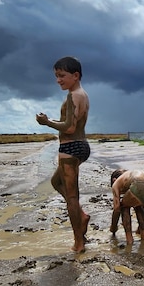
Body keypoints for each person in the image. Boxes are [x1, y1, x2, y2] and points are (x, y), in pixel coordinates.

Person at [36, 56, 91, 253]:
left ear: (75, 75)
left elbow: (69, 127)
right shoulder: (82, 94)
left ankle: (79, 242)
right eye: (56, 76)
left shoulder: (74, 96)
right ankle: (81, 216)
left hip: (70, 147)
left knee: (72, 196)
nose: (58, 80)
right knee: (55, 182)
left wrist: (46, 122)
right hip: (80, 145)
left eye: (62, 76)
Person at [109, 168, 144, 246]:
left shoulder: (116, 183)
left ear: (114, 180)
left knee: (124, 206)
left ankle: (129, 240)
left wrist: (113, 228)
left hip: (140, 184)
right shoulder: (130, 176)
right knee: (138, 205)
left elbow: (116, 208)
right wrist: (140, 229)